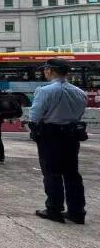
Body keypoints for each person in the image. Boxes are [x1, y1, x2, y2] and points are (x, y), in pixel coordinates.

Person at [28, 59, 88, 224]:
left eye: (45, 69)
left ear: (50, 70)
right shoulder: (79, 92)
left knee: (52, 173)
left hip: (51, 136)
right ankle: (77, 211)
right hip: (72, 136)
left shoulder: (45, 91)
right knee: (72, 174)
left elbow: (35, 116)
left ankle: (54, 209)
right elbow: (80, 114)